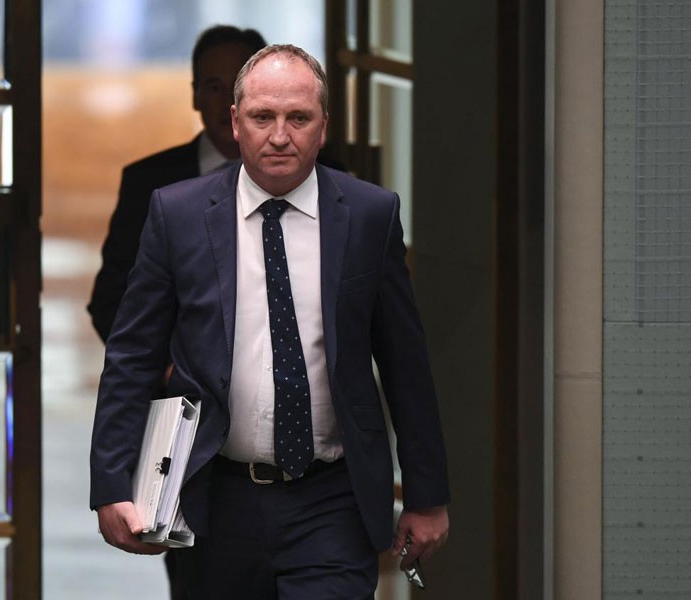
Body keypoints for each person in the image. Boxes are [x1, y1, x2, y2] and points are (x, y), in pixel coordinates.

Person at [90, 44, 450, 599]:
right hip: (214, 496)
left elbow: (406, 363)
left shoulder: (369, 215)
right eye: (263, 117)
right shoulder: (178, 214)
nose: (279, 135)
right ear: (236, 123)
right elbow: (132, 355)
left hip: (332, 500)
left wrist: (427, 495)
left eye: (298, 118)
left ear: (323, 126)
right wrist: (112, 484)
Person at [87, 25, 267, 342]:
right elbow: (110, 301)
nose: (228, 102)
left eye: (239, 87)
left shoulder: (314, 175)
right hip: (178, 383)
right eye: (214, 87)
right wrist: (165, 372)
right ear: (195, 95)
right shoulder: (147, 183)